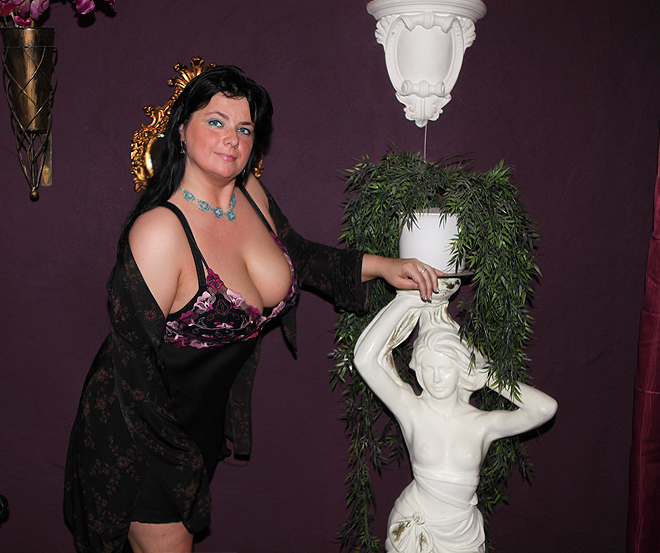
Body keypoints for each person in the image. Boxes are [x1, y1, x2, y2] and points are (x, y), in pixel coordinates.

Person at [63, 65, 440, 553]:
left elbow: (299, 256)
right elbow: (133, 371)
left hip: (199, 426)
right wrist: (178, 463)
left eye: (245, 128)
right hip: (142, 435)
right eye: (216, 122)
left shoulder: (251, 195)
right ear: (182, 130)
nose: (233, 138)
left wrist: (386, 266)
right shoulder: (160, 231)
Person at [353, 283, 558, 553]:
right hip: (415, 525)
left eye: (445, 368)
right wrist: (408, 300)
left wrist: (487, 375)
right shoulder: (412, 410)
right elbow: (364, 360)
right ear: (418, 370)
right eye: (428, 368)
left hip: (462, 532)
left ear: (461, 370)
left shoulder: (482, 424)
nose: (436, 377)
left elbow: (544, 409)